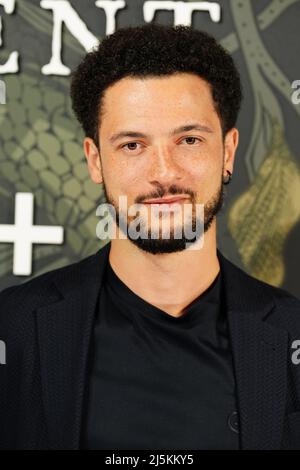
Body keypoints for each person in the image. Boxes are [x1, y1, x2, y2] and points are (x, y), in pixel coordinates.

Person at [1, 24, 300, 450]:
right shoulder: (13, 330)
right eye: (132, 145)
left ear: (228, 152)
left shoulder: (292, 335)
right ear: (95, 160)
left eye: (190, 139)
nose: (164, 172)